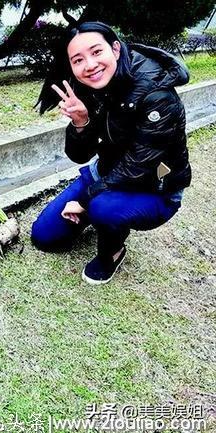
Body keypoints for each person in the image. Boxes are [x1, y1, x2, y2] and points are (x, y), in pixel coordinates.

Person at [31, 21, 192, 284]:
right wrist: (80, 122)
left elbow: (139, 166)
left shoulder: (157, 95)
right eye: (78, 60)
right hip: (106, 173)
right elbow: (79, 156)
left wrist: (85, 202)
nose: (90, 65)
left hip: (155, 186)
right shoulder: (91, 86)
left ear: (115, 49)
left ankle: (112, 253)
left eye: (96, 52)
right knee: (45, 237)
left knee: (103, 208)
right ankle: (95, 211)